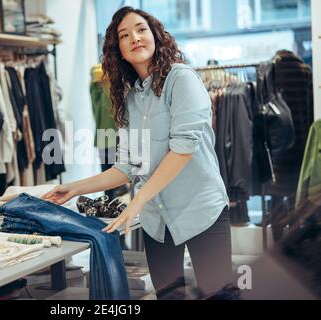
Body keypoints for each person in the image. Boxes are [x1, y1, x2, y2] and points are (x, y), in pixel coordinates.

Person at [43, 6, 232, 299]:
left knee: (220, 296)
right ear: (118, 49)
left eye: (141, 29)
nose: (135, 37)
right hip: (157, 218)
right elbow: (127, 166)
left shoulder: (180, 79)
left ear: (155, 35)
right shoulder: (131, 98)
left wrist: (137, 199)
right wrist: (74, 188)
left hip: (200, 208)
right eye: (125, 35)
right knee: (169, 296)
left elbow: (182, 149)